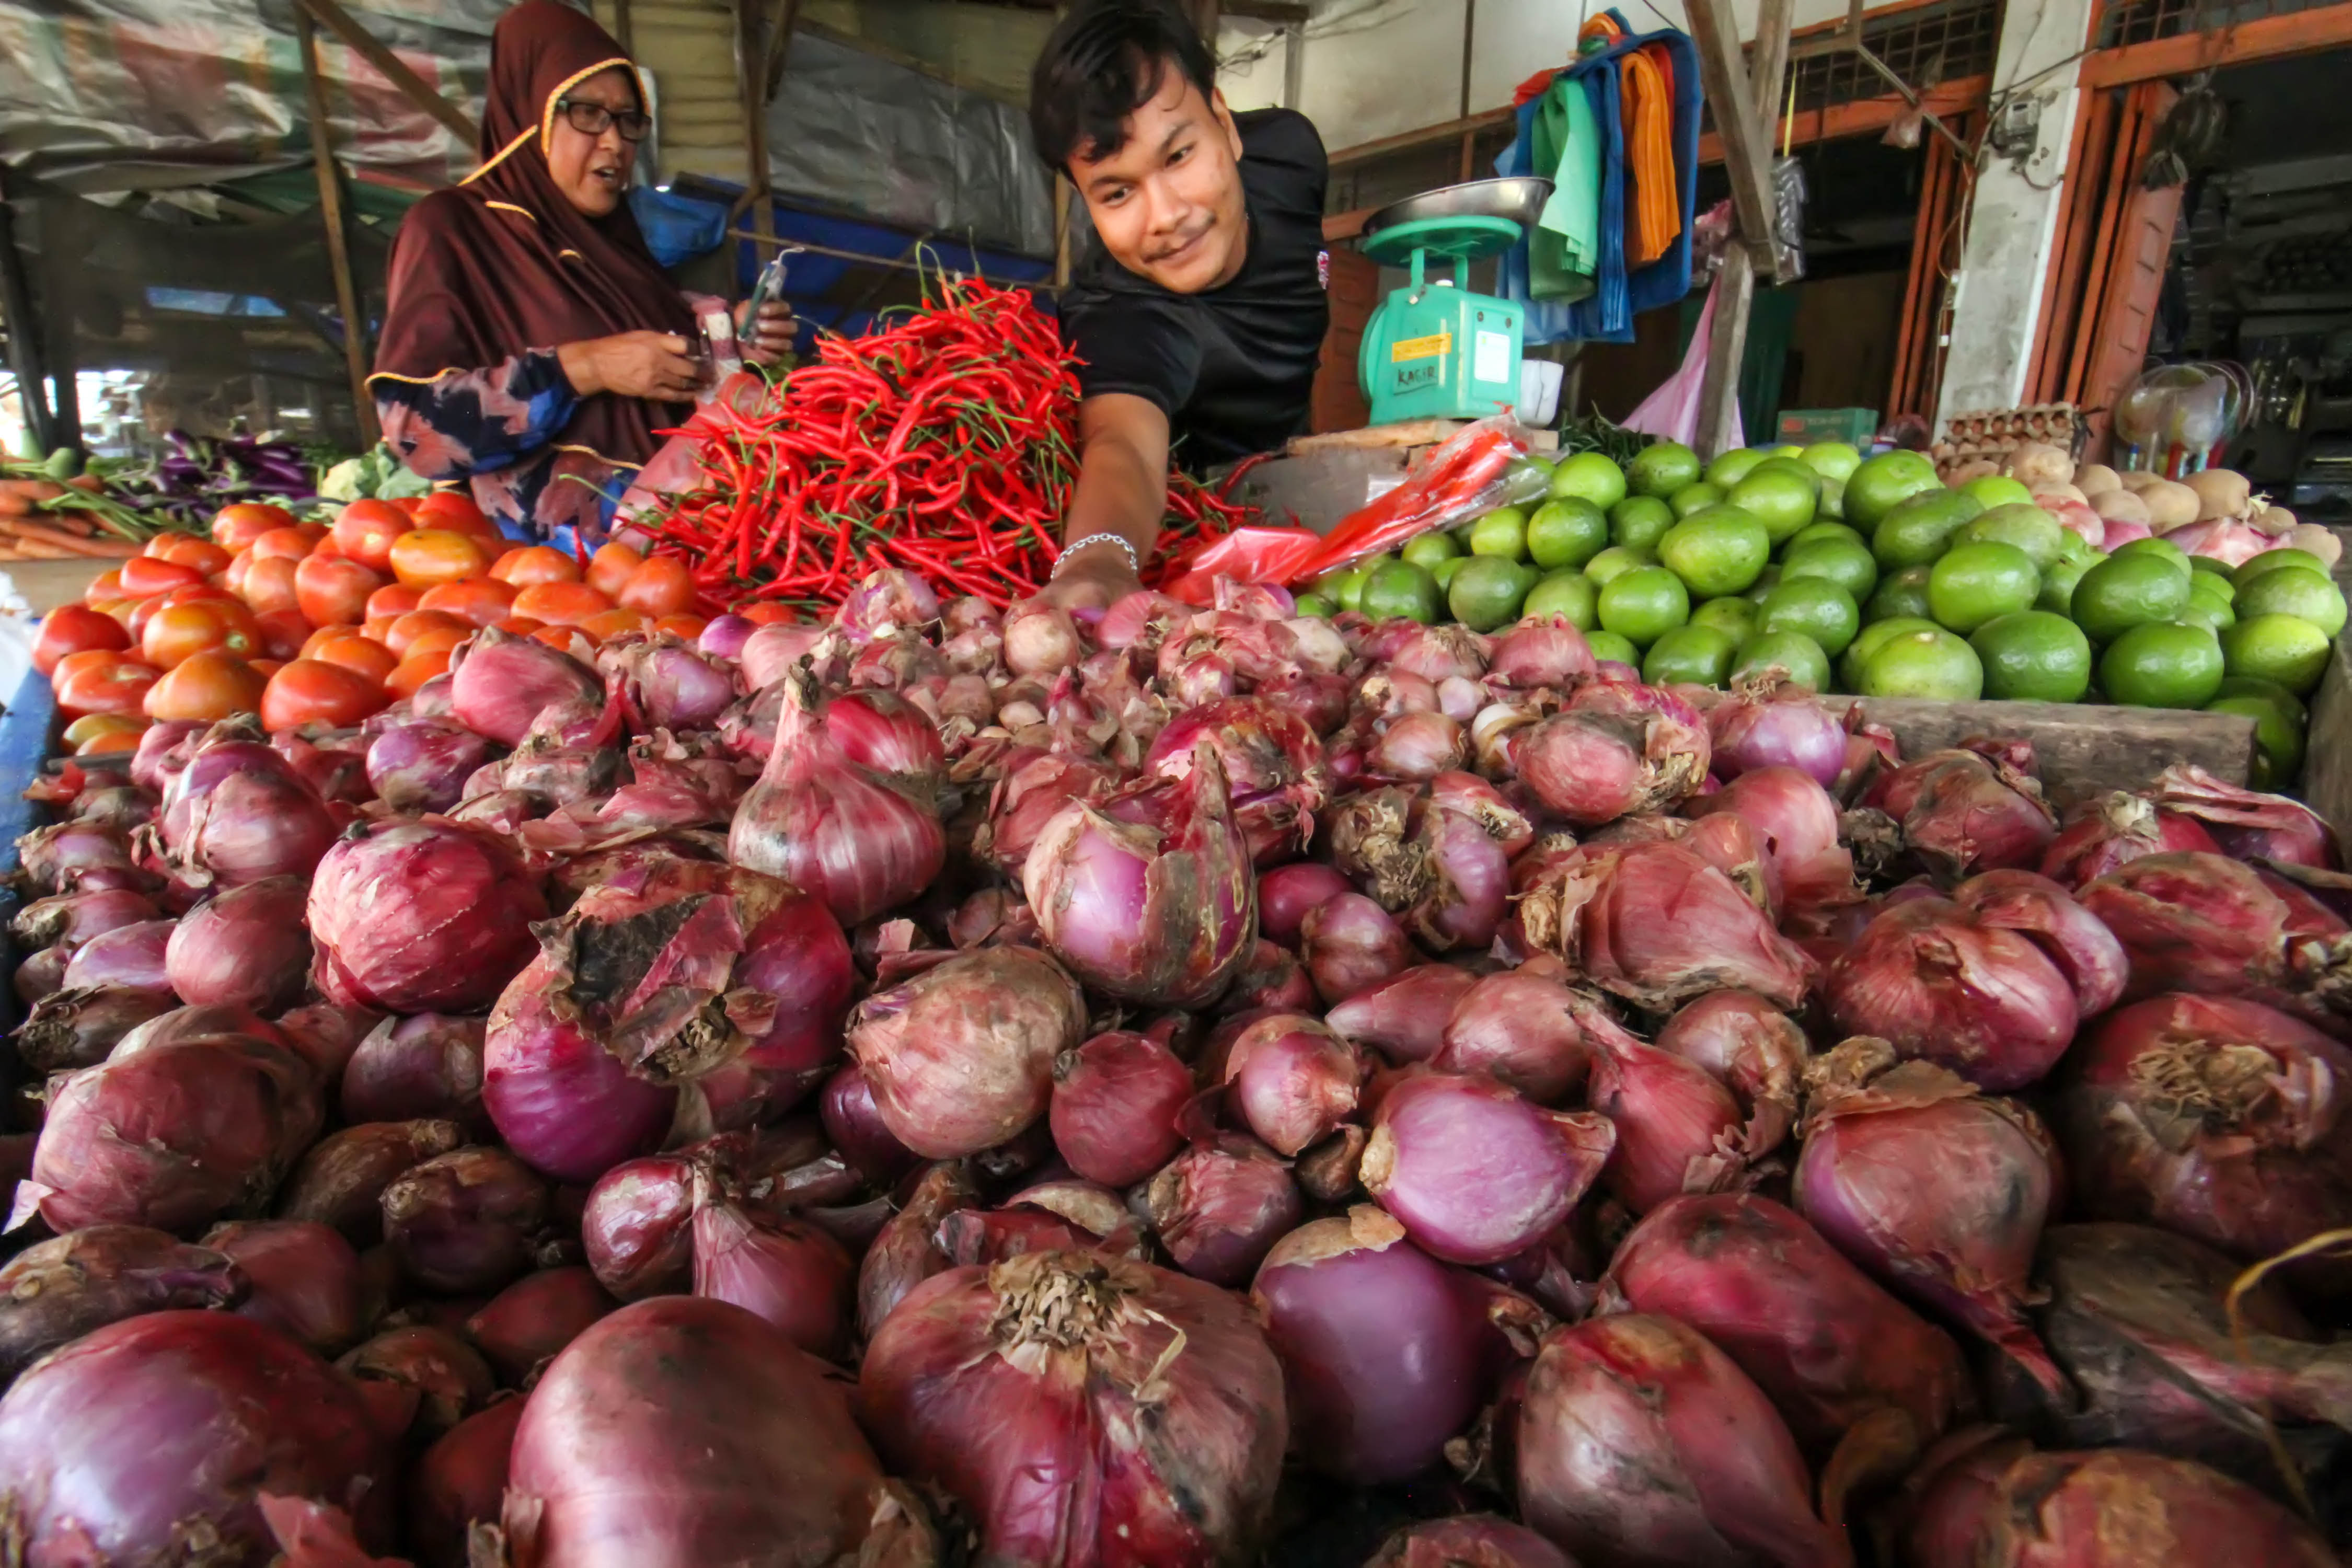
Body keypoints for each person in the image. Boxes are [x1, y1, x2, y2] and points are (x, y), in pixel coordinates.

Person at [370, 0, 793, 546]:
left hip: (690, 562)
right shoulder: (453, 229)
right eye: (588, 113)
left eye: (628, 120)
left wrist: (726, 346)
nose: (614, 141)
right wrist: (585, 368)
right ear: (530, 114)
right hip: (552, 587)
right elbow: (416, 432)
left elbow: (662, 393)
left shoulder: (618, 247)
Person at [1026, 0, 1329, 613]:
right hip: (1212, 548)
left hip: (1307, 474)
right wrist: (1099, 561)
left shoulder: (1291, 155)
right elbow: (1124, 448)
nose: (1166, 217)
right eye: (1117, 192)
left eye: (1179, 157)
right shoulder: (1119, 315)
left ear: (1225, 122)